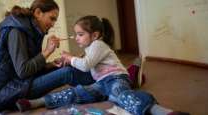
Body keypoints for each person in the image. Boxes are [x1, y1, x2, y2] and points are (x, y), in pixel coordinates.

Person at [15, 16, 190, 115]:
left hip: (115, 79)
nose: (76, 38)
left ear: (95, 35)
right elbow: (83, 64)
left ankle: (164, 112)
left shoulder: (98, 45)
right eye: (75, 34)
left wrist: (70, 58)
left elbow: (85, 66)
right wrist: (66, 61)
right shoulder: (91, 48)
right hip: (101, 83)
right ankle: (36, 102)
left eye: (80, 34)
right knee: (76, 92)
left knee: (122, 96)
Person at [0, 0, 96, 113]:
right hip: (0, 96)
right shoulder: (16, 31)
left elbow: (28, 68)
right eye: (52, 18)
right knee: (67, 72)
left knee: (63, 67)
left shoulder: (29, 29)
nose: (53, 24)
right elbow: (23, 71)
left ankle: (98, 77)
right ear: (38, 13)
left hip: (19, 84)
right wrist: (47, 51)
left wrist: (51, 65)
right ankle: (101, 83)